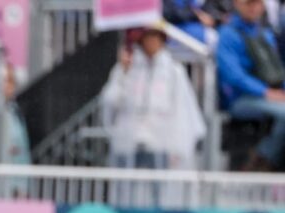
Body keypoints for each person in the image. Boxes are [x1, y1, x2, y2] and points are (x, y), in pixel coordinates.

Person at [101, 22, 206, 170]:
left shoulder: (174, 71)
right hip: (131, 142)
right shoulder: (125, 69)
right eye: (148, 36)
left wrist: (178, 146)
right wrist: (123, 74)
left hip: (161, 144)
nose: (152, 42)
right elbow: (112, 101)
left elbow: (181, 110)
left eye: (156, 36)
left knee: (159, 188)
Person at [217, 0, 285, 170]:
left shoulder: (265, 34)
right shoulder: (227, 34)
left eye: (257, 3)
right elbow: (233, 76)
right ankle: (261, 160)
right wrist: (264, 92)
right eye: (248, 3)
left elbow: (276, 69)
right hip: (241, 99)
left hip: (270, 96)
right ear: (237, 4)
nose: (253, 7)